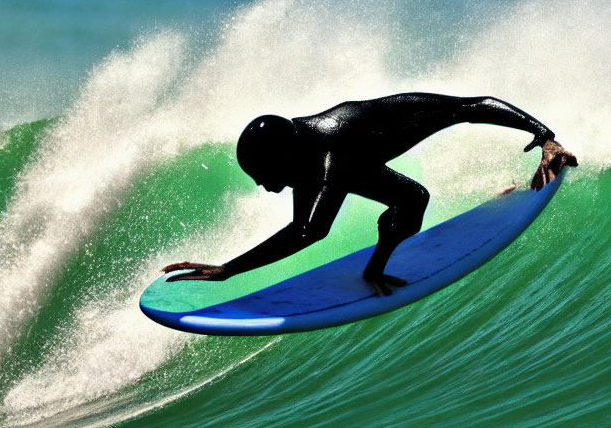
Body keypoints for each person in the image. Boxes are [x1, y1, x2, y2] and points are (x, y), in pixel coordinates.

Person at [163, 93, 577, 295]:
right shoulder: (302, 152)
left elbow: (311, 232)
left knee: (414, 198)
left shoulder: (329, 157)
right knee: (406, 201)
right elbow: (301, 228)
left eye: (264, 174)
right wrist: (227, 269)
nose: (262, 185)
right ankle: (374, 270)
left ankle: (374, 270)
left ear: (284, 157)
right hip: (351, 151)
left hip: (379, 129)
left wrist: (544, 137)